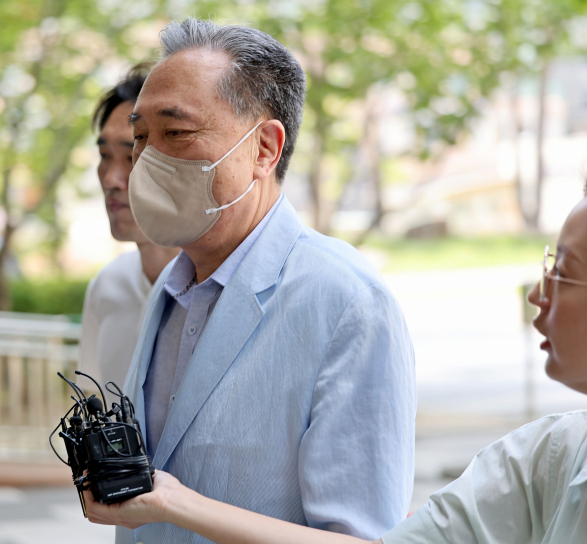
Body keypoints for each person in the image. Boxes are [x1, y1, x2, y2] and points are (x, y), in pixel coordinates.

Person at [87, 167, 587, 544]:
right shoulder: (543, 459)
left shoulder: (348, 295)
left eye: (563, 272)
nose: (537, 293)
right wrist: (171, 502)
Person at [103, 18, 416, 544]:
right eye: (140, 138)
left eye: (176, 133)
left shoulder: (347, 304)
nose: (146, 161)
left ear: (265, 149)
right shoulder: (171, 289)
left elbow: (361, 538)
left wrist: (184, 507)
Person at [79, 65, 179, 390]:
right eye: (104, 155)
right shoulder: (107, 286)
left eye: (131, 154)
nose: (110, 179)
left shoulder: (214, 287)